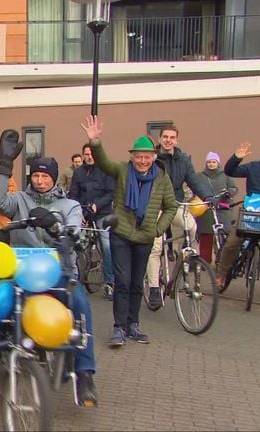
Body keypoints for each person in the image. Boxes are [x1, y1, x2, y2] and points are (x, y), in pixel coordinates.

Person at [0, 140, 99, 407]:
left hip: (59, 273)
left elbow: (74, 230)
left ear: (53, 178)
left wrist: (59, 228)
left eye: (45, 176)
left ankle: (85, 374)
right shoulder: (19, 200)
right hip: (22, 273)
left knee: (81, 306)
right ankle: (8, 351)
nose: (39, 181)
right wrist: (4, 166)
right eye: (35, 175)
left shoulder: (69, 204)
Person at [81, 116, 177, 347]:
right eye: (138, 157)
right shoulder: (123, 171)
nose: (142, 161)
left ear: (154, 158)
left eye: (146, 157)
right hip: (122, 234)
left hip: (145, 236)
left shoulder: (162, 179)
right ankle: (118, 328)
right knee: (122, 282)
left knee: (136, 283)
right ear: (132, 157)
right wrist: (95, 141)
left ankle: (133, 325)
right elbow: (104, 162)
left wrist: (158, 228)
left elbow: (171, 206)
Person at [145, 125, 213, 308]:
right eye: (165, 136)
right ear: (160, 139)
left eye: (172, 137)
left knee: (191, 227)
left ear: (177, 140)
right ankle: (153, 288)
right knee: (156, 246)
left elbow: (194, 180)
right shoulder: (152, 158)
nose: (168, 140)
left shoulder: (183, 160)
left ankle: (183, 260)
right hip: (155, 206)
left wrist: (207, 197)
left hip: (174, 204)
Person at [217, 141, 260, 303]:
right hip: (250, 216)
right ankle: (221, 274)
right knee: (232, 242)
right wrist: (236, 158)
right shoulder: (254, 167)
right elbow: (230, 171)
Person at [69, 143, 118, 300]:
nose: (89, 157)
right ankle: (74, 278)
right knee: (75, 242)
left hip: (102, 213)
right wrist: (78, 211)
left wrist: (98, 205)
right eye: (86, 154)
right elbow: (73, 194)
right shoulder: (78, 173)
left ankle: (109, 282)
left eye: (91, 154)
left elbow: (111, 193)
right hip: (83, 213)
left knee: (106, 245)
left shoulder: (106, 171)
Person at [195, 152, 237, 263]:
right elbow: (194, 187)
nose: (211, 164)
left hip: (223, 209)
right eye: (209, 162)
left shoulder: (226, 175)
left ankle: (223, 261)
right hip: (206, 209)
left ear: (218, 163)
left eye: (213, 162)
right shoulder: (199, 176)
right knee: (206, 236)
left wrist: (229, 193)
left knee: (224, 236)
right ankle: (205, 261)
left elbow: (233, 188)